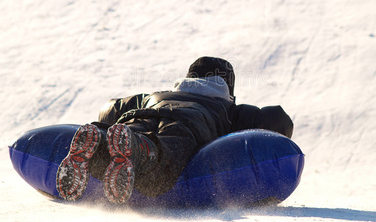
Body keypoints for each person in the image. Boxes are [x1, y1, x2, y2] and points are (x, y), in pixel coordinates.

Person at [56, 56, 293, 204]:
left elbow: (111, 108)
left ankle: (98, 142)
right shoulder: (229, 109)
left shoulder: (151, 96)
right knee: (165, 154)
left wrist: (108, 120)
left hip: (141, 113)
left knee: (129, 132)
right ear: (228, 88)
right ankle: (140, 151)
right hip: (188, 124)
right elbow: (278, 120)